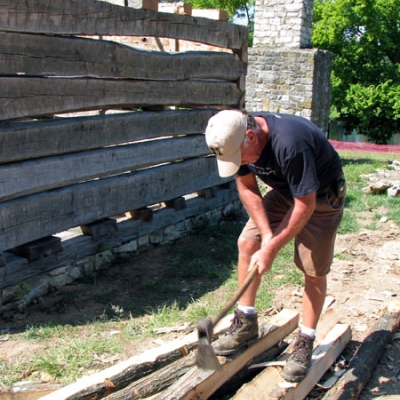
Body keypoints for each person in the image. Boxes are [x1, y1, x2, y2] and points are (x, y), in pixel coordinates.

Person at [204, 109, 345, 382]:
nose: (240, 162)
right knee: (248, 242)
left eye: (240, 157)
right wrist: (266, 235)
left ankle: (305, 340)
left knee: (312, 269)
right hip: (284, 192)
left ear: (251, 135)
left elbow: (306, 203)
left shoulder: (290, 142)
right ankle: (246, 323)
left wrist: (272, 248)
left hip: (321, 197)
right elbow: (246, 186)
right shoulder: (235, 137)